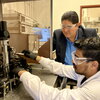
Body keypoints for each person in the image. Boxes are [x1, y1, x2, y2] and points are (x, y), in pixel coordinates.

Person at [12, 36, 100, 100]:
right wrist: (36, 57)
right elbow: (61, 68)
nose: (73, 61)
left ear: (94, 65)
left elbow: (50, 97)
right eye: (74, 56)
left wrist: (22, 73)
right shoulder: (89, 72)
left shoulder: (93, 91)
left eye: (77, 58)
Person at [53, 11, 97, 88]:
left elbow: (97, 55)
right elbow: (47, 50)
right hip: (65, 72)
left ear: (77, 25)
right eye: (63, 26)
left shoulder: (89, 34)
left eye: (69, 27)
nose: (65, 30)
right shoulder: (58, 34)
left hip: (84, 73)